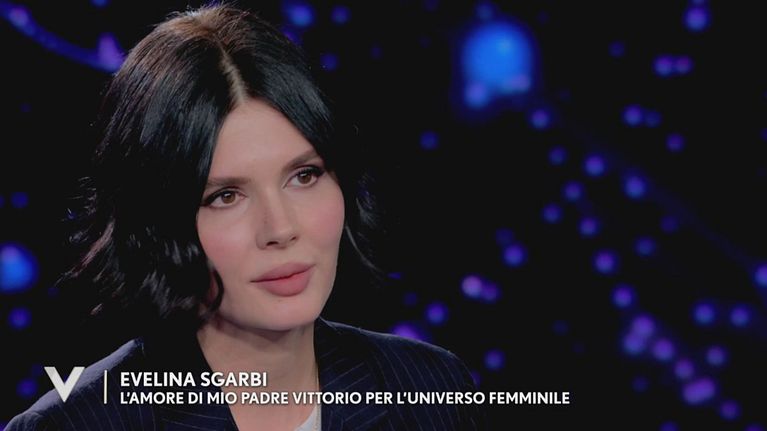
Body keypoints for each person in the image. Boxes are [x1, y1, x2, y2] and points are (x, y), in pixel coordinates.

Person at [6, 3, 486, 430]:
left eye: (304, 176)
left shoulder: (430, 390)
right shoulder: (73, 425)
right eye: (226, 196)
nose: (281, 229)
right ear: (156, 222)